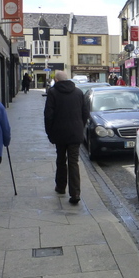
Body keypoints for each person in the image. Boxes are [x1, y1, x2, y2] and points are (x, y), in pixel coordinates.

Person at [44, 70, 90, 204]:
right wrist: (79, 126)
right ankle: (75, 193)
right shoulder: (78, 92)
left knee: (60, 159)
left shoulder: (53, 93)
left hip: (59, 132)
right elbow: (85, 113)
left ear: (56, 80)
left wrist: (49, 133)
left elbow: (48, 115)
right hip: (75, 132)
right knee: (73, 162)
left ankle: (60, 186)